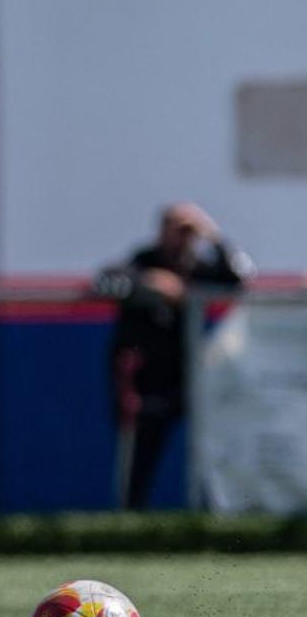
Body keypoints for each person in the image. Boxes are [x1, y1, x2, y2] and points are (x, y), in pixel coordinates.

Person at [95, 202, 251, 509]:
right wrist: (151, 284)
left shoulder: (198, 267)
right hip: (145, 377)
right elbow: (106, 281)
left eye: (188, 230)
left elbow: (240, 278)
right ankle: (130, 519)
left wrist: (213, 235)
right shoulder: (145, 260)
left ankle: (209, 514)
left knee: (207, 449)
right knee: (141, 450)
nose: (181, 237)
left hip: (189, 374)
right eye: (176, 228)